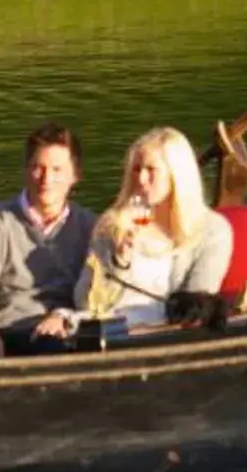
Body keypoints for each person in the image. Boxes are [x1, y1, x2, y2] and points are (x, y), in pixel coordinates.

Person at [0, 123, 97, 357]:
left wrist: (65, 317)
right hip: (8, 333)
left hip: (67, 332)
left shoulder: (91, 227)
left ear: (75, 176)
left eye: (57, 170)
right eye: (38, 167)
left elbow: (99, 296)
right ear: (26, 170)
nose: (46, 179)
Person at [87, 127, 233, 328]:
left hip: (162, 333)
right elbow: (84, 300)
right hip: (107, 327)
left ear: (176, 175)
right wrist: (119, 262)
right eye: (137, 169)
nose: (140, 179)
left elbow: (197, 303)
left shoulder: (213, 231)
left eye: (151, 170)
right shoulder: (112, 224)